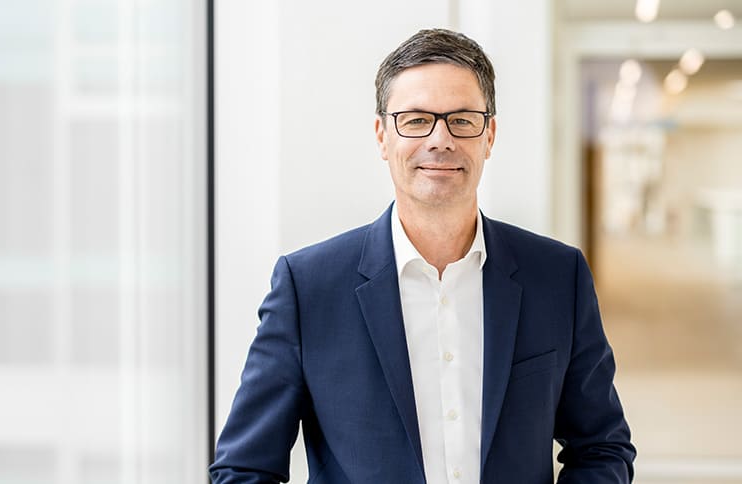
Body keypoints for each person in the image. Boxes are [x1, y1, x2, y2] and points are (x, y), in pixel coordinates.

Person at [210, 28, 635, 484]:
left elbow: (602, 447)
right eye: (415, 120)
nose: (440, 139)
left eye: (462, 120)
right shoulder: (308, 287)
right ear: (382, 136)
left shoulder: (557, 277)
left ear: (489, 136)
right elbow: (243, 469)